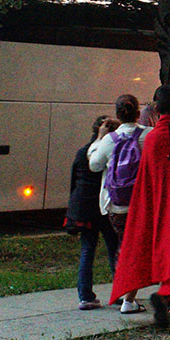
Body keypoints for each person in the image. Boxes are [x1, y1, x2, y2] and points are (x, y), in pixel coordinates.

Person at [108, 86, 170, 326]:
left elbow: (147, 180)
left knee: (161, 251)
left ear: (154, 106)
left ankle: (168, 299)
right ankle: (167, 297)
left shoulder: (152, 137)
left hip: (156, 206)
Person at [87, 94, 152, 314]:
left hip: (116, 206)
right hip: (142, 204)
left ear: (117, 114)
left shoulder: (110, 140)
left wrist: (99, 138)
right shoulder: (148, 136)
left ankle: (125, 294)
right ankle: (128, 298)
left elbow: (95, 166)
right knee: (133, 250)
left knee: (124, 247)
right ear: (138, 113)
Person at [66, 115, 120, 310]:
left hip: (85, 209)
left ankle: (85, 295)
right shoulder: (110, 152)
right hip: (104, 207)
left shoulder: (82, 152)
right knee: (114, 248)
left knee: (88, 250)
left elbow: (74, 181)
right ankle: (120, 293)